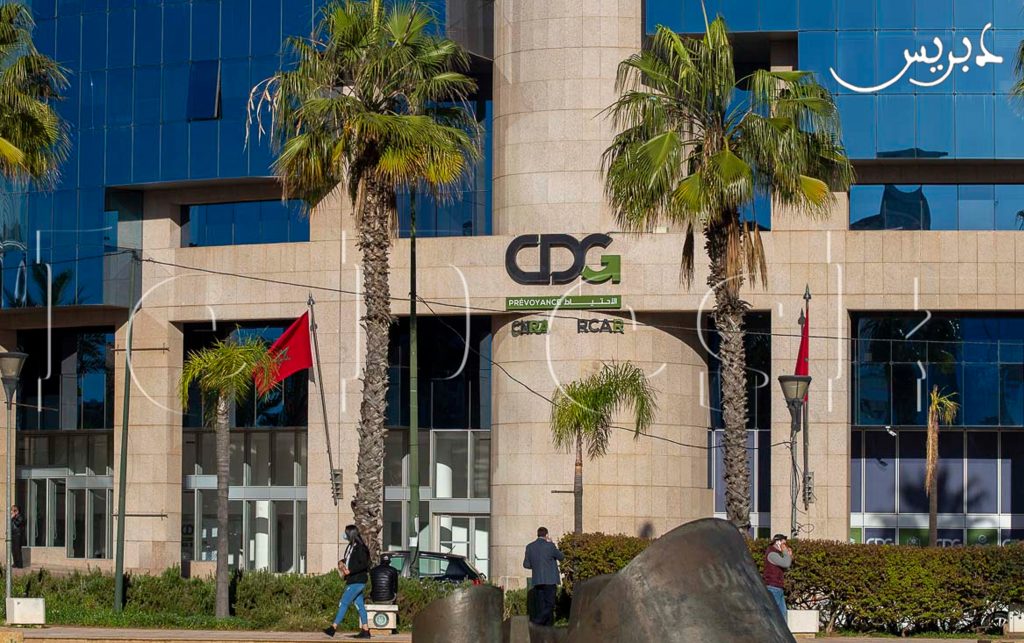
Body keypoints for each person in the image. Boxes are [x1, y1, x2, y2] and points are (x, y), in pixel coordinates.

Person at [324, 525, 371, 639]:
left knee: (344, 602)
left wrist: (350, 570)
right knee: (359, 605)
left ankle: (333, 628)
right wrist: (342, 562)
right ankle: (365, 630)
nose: (344, 535)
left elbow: (364, 564)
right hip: (352, 580)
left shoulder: (360, 548)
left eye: (346, 533)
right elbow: (350, 559)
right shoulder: (351, 546)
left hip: (357, 580)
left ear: (351, 534)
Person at [523, 526, 564, 627]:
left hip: (537, 580)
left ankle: (545, 629)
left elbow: (526, 565)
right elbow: (561, 557)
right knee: (550, 605)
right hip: (550, 580)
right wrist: (552, 543)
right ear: (546, 535)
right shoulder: (550, 546)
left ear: (537, 534)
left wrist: (536, 566)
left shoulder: (530, 547)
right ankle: (536, 622)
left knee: (542, 606)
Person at [763, 533, 792, 619]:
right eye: (783, 543)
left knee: (782, 615)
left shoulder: (776, 554)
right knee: (773, 615)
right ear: (778, 542)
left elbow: (785, 565)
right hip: (773, 587)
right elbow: (786, 563)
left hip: (777, 587)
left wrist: (789, 556)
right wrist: (786, 552)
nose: (785, 546)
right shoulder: (772, 554)